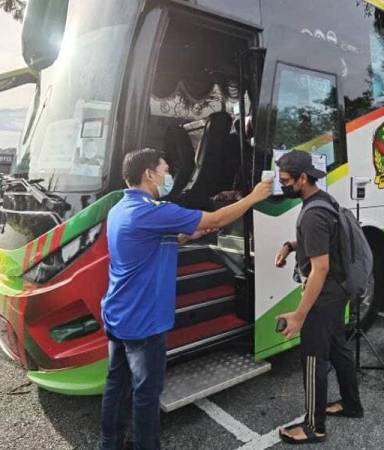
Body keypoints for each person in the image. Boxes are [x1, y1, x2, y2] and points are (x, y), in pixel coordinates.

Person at [99, 148, 272, 450]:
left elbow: (150, 240)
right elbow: (217, 216)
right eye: (165, 171)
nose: (168, 177)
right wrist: (255, 195)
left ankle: (109, 443)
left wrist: (188, 234)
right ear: (149, 174)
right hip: (144, 320)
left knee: (117, 385)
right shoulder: (151, 211)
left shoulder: (120, 209)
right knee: (146, 392)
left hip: (118, 313)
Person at [274, 150, 363, 445]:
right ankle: (351, 404)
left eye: (286, 180)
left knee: (313, 358)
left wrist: (300, 314)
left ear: (302, 178)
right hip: (339, 291)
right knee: (339, 348)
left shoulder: (312, 214)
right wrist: (290, 245)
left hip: (324, 297)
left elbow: (319, 268)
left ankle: (315, 426)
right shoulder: (324, 202)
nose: (282, 185)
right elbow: (322, 241)